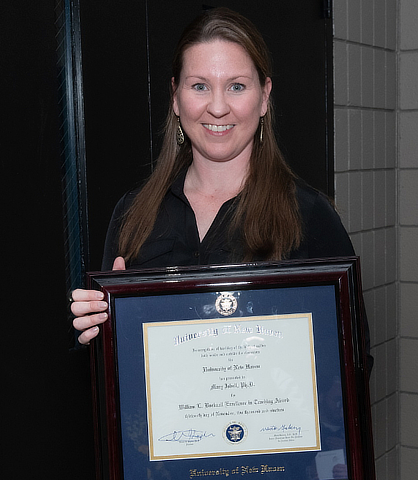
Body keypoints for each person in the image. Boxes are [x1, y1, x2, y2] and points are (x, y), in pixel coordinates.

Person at [71, 7, 371, 374]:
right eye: (199, 86)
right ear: (176, 97)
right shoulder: (133, 214)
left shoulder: (308, 216)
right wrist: (100, 333)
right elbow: (123, 377)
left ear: (264, 96)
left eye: (236, 86)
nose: (217, 107)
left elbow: (353, 363)